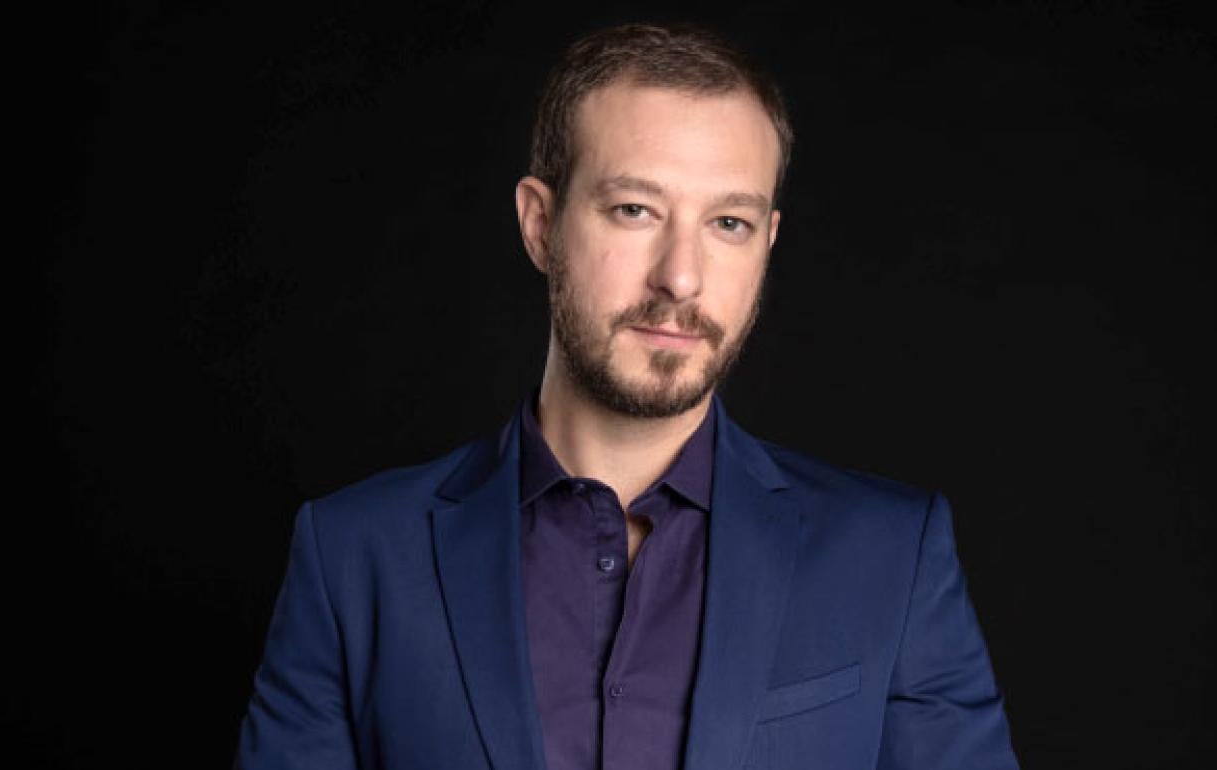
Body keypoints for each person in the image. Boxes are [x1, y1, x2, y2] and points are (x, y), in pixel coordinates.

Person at [233, 22, 1019, 770]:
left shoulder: (892, 558)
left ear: (768, 243)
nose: (681, 277)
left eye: (729, 223)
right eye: (634, 210)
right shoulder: (353, 559)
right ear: (540, 225)